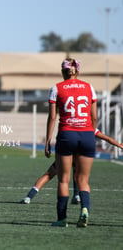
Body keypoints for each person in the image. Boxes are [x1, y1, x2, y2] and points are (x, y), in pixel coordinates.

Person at [45, 58, 97, 228]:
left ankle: (62, 219)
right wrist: (90, 132)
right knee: (83, 180)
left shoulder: (56, 88)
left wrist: (47, 141)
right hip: (87, 134)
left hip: (67, 135)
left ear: (63, 72)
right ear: (78, 71)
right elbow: (94, 117)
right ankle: (85, 210)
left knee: (63, 180)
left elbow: (53, 117)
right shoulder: (89, 88)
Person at [20, 129, 123, 205]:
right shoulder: (90, 127)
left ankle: (29, 197)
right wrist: (119, 145)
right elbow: (107, 138)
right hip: (80, 157)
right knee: (79, 176)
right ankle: (77, 196)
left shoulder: (71, 124)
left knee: (49, 175)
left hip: (67, 155)